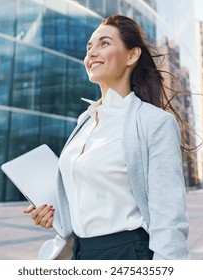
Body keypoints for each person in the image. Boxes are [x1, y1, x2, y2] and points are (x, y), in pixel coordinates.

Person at [24, 14, 189, 260]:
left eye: (104, 43)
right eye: (89, 47)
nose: (91, 53)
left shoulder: (154, 122)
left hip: (127, 254)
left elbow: (169, 218)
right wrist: (54, 214)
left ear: (132, 56)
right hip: (81, 253)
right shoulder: (85, 121)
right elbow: (88, 196)